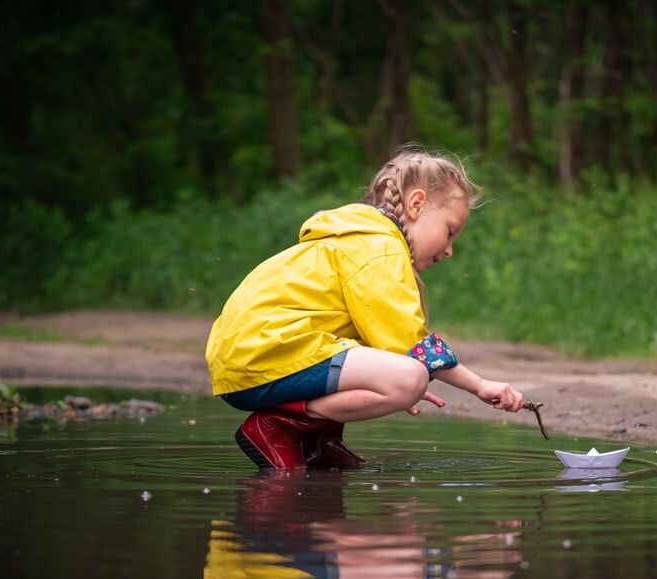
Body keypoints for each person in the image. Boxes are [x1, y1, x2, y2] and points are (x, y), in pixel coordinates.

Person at [205, 147, 524, 469]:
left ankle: (318, 443)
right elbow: (411, 343)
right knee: (411, 376)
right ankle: (280, 427)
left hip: (250, 359)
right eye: (450, 231)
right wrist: (479, 385)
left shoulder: (357, 239)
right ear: (416, 205)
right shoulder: (378, 247)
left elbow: (372, 340)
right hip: (265, 354)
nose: (449, 250)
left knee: (404, 376)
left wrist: (393, 379)